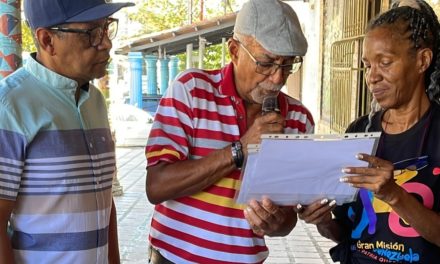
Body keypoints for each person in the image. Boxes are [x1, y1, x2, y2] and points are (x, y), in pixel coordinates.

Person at [145, 0, 314, 262]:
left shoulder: (299, 120)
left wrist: (275, 222)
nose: (278, 78)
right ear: (234, 51)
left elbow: (287, 222)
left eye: (288, 65)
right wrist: (241, 148)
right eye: (266, 63)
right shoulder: (190, 91)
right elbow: (156, 187)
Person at [298, 2, 440, 263]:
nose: (372, 77)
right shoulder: (359, 131)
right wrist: (324, 222)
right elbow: (348, 233)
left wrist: (394, 195)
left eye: (385, 62)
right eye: (367, 65)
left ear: (422, 61)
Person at [0, 0, 134, 263]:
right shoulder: (10, 107)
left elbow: (105, 203)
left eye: (106, 29)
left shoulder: (94, 100)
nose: (106, 43)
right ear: (47, 40)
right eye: (91, 34)